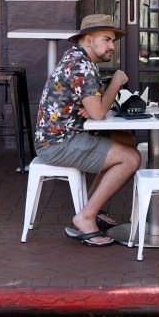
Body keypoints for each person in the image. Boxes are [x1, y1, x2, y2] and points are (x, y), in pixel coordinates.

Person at [34, 13, 141, 247]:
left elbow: (94, 108)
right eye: (106, 40)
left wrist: (95, 106)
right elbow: (99, 113)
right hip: (59, 143)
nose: (112, 46)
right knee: (131, 158)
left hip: (63, 135)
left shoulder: (77, 58)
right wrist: (116, 82)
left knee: (126, 140)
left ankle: (91, 206)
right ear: (89, 40)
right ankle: (86, 217)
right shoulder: (81, 65)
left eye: (113, 41)